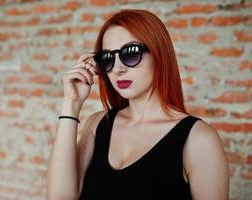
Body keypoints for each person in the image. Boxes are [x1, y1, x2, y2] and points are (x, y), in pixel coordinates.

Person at [46, 9, 229, 200]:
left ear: (159, 54)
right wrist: (71, 104)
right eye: (107, 58)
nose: (117, 69)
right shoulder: (97, 125)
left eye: (131, 53)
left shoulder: (199, 140)